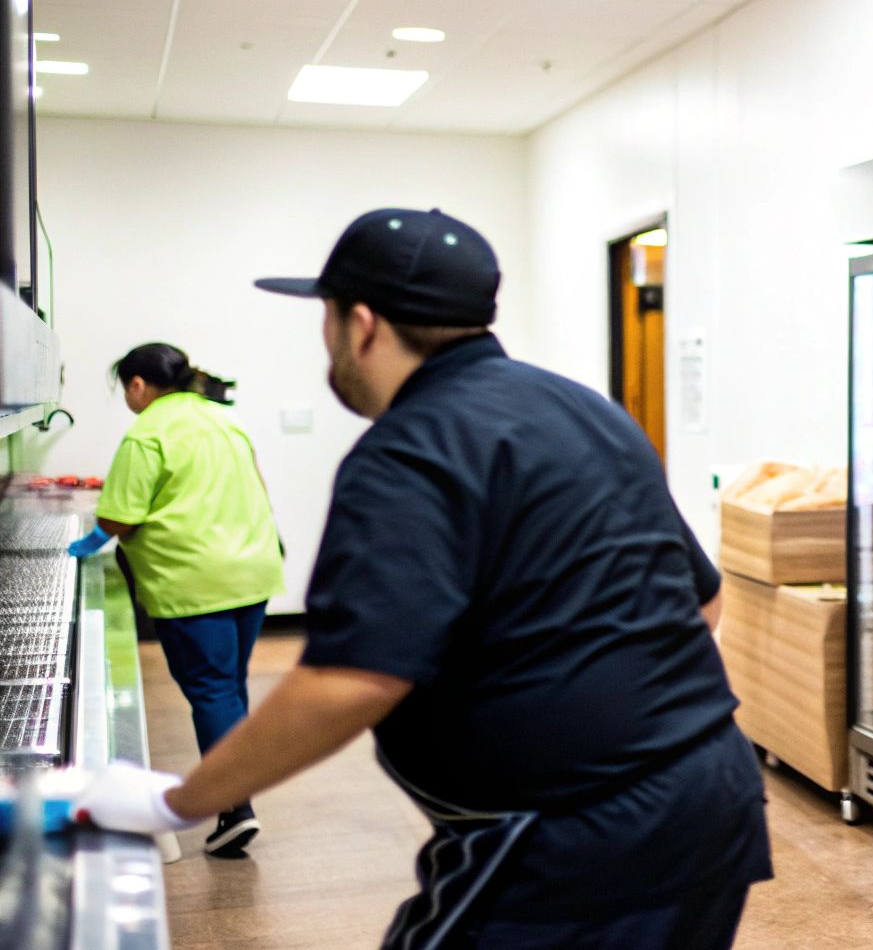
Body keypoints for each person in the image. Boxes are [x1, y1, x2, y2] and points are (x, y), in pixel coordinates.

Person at [78, 208, 771, 949]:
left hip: (564, 834)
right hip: (715, 797)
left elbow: (348, 682)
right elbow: (702, 599)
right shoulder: (584, 410)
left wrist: (179, 800)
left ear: (363, 324)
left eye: (328, 316)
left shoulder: (407, 451)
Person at [68, 343, 284, 857]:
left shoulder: (147, 433)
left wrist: (91, 541)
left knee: (211, 690)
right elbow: (248, 484)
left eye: (125, 388)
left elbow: (120, 516)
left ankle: (235, 809)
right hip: (252, 572)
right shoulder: (220, 419)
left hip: (194, 581)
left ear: (138, 385)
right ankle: (237, 792)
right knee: (228, 686)